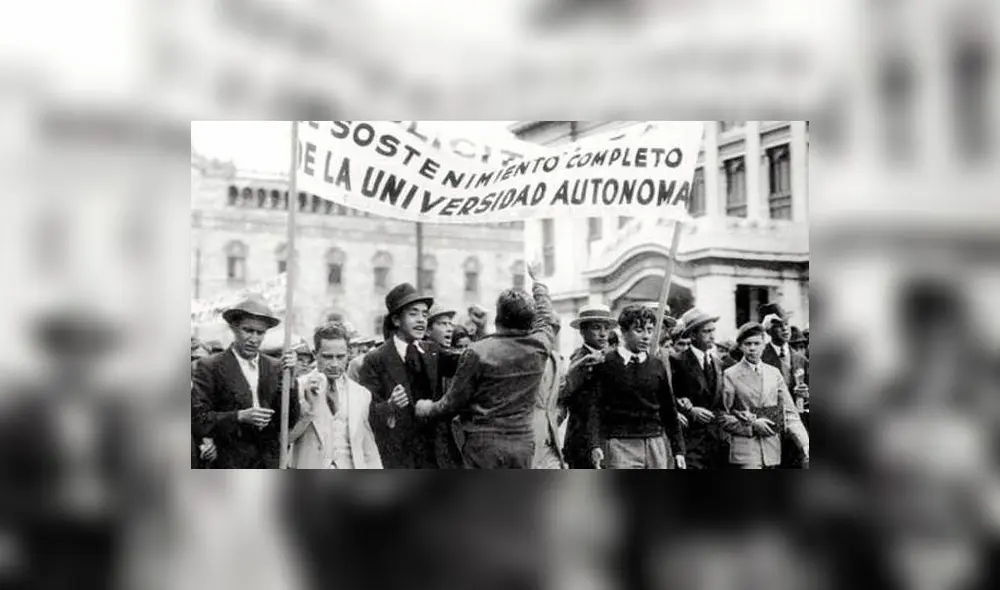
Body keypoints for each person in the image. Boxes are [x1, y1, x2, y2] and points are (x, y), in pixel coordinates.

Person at [415, 263, 556, 469]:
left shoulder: (477, 352)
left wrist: (427, 408)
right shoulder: (540, 346)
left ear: (498, 317)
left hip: (484, 445)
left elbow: (452, 404)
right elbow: (546, 316)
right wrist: (538, 282)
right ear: (529, 320)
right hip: (523, 443)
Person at [191, 295, 302, 469]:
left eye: (260, 333)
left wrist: (292, 380)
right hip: (229, 463)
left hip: (268, 462)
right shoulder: (210, 366)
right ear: (233, 328)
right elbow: (198, 420)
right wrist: (239, 416)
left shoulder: (275, 367)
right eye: (248, 330)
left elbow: (289, 420)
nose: (254, 339)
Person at [357, 283, 460, 468]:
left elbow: (466, 362)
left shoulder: (432, 351)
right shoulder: (376, 359)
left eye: (425, 314)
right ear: (396, 320)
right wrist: (390, 406)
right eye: (413, 314)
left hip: (435, 458)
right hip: (398, 459)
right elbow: (365, 413)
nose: (421, 320)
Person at [581, 304, 687, 469]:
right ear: (623, 332)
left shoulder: (657, 365)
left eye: (650, 330)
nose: (646, 337)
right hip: (619, 444)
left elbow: (669, 410)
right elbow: (594, 408)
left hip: (655, 443)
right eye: (639, 330)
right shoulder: (606, 363)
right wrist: (594, 445)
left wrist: (678, 450)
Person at [289, 322, 382, 469]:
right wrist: (308, 409)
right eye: (327, 357)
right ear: (315, 354)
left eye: (340, 357)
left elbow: (367, 445)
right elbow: (285, 440)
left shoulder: (362, 394)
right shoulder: (298, 387)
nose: (334, 364)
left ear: (348, 354)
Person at [720, 322, 809, 469]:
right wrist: (751, 426)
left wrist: (805, 443)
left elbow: (790, 413)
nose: (752, 348)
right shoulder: (730, 374)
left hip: (772, 449)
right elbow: (722, 416)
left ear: (764, 345)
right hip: (745, 450)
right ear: (740, 346)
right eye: (747, 344)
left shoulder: (774, 373)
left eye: (757, 343)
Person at [560, 304, 616, 469]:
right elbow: (572, 397)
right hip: (582, 438)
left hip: (604, 436)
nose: (603, 333)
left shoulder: (609, 357)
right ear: (583, 331)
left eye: (606, 328)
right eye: (596, 328)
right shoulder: (581, 360)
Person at [671, 308, 728, 469]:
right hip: (690, 441)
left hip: (715, 441)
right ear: (693, 335)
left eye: (713, 330)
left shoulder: (717, 363)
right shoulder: (677, 361)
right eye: (706, 332)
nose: (712, 336)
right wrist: (690, 410)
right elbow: (668, 396)